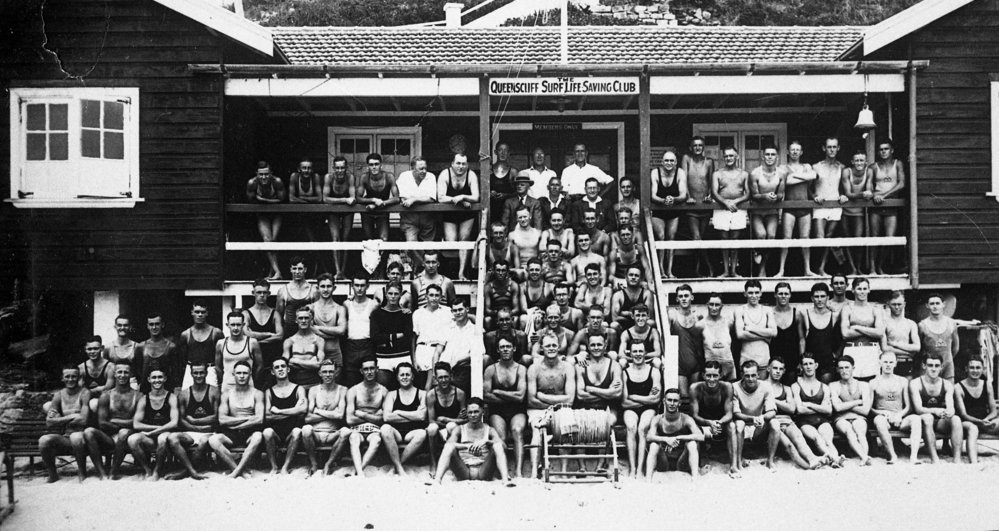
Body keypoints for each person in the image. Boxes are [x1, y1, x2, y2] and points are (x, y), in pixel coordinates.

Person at [526, 332, 576, 477]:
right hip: (537, 409)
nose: (551, 348)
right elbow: (531, 400)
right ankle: (535, 472)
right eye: (548, 345)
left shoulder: (567, 368)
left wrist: (543, 396)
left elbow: (570, 400)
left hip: (561, 409)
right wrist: (554, 403)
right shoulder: (534, 368)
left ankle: (564, 471)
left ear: (559, 347)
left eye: (554, 345)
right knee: (537, 429)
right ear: (541, 348)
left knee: (566, 427)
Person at [432, 397, 513, 485]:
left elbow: (503, 446)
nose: (473, 415)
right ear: (466, 413)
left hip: (484, 470)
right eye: (470, 412)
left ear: (483, 412)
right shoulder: (460, 429)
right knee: (449, 447)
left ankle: (505, 480)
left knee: (497, 446)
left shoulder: (489, 429)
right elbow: (448, 444)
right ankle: (437, 480)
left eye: (476, 412)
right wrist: (467, 446)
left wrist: (486, 442)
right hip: (464, 470)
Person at [764, 358, 825, 470]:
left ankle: (812, 459)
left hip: (787, 420)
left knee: (798, 438)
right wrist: (783, 403)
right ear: (768, 368)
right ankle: (807, 466)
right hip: (771, 422)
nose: (777, 371)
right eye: (775, 368)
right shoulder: (762, 386)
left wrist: (772, 399)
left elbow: (792, 409)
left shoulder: (786, 388)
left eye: (780, 369)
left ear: (784, 371)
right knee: (789, 445)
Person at [209, 361, 266, 478]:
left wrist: (236, 423)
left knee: (258, 436)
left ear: (250, 374)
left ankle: (235, 472)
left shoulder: (257, 393)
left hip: (250, 432)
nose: (241, 376)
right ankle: (238, 470)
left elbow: (259, 419)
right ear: (233, 374)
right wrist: (249, 418)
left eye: (245, 373)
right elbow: (222, 419)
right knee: (213, 440)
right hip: (231, 433)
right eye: (238, 373)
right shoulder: (226, 394)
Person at [83, 362, 139, 480]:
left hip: (129, 437)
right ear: (114, 374)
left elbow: (137, 422)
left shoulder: (138, 396)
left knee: (124, 432)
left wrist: (114, 420)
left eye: (126, 372)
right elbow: (102, 423)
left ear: (130, 375)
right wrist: (125, 423)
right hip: (109, 438)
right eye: (119, 372)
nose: (122, 375)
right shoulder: (106, 396)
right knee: (89, 432)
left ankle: (114, 471)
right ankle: (101, 472)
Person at [483, 336, 528, 478]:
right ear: (497, 350)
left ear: (514, 348)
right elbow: (486, 396)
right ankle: (502, 470)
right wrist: (510, 397)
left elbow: (521, 396)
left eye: (508, 346)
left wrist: (499, 392)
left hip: (517, 411)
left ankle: (519, 471)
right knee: (500, 436)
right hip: (498, 411)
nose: (505, 350)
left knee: (517, 430)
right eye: (502, 347)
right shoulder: (491, 369)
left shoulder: (521, 369)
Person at [166, 362, 219, 480]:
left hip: (209, 433)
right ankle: (191, 471)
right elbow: (181, 419)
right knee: (172, 438)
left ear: (206, 373)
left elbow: (216, 417)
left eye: (201, 373)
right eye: (196, 373)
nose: (199, 375)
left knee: (204, 441)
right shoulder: (184, 394)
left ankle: (185, 472)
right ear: (191, 374)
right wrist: (198, 427)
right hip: (192, 432)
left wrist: (194, 421)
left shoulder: (214, 391)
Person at [39, 366, 91, 482]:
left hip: (84, 437)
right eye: (67, 376)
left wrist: (60, 419)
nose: (70, 379)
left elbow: (83, 420)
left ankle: (82, 472)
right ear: (62, 378)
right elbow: (49, 422)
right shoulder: (59, 395)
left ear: (78, 378)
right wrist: (72, 416)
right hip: (66, 437)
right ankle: (53, 474)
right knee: (44, 440)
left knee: (76, 436)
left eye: (74, 376)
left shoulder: (84, 393)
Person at [792, 353, 844, 468]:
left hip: (822, 420)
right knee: (817, 437)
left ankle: (834, 458)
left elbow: (829, 410)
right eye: (805, 364)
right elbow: (800, 410)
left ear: (816, 365)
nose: (808, 366)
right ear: (801, 366)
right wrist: (820, 408)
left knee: (828, 440)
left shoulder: (824, 387)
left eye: (811, 363)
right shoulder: (796, 386)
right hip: (804, 422)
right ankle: (833, 458)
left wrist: (810, 404)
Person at [869, 351, 922, 463]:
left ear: (895, 363)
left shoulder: (903, 381)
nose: (888, 365)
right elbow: (869, 408)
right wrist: (881, 413)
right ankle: (892, 455)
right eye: (885, 362)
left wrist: (899, 415)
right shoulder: (873, 382)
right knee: (879, 421)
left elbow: (908, 406)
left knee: (916, 419)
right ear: (880, 363)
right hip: (884, 418)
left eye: (891, 362)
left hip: (900, 418)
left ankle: (913, 456)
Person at [910, 353, 963, 463]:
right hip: (923, 420)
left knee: (956, 419)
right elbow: (918, 409)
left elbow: (951, 406)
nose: (933, 369)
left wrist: (949, 412)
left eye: (936, 365)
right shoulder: (916, 383)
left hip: (939, 422)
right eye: (930, 365)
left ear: (941, 367)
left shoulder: (947, 384)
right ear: (924, 366)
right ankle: (935, 458)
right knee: (928, 417)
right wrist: (935, 410)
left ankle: (957, 459)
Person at [127, 368, 179, 480]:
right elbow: (136, 424)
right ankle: (148, 470)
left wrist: (155, 431)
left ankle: (157, 470)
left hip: (167, 437)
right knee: (132, 439)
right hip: (150, 437)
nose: (157, 380)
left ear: (165, 379)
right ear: (149, 380)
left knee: (162, 438)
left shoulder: (172, 397)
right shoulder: (144, 399)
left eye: (160, 377)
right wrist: (157, 429)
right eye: (154, 377)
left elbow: (174, 423)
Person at [776, 140, 818, 277]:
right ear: (788, 151)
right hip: (789, 207)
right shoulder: (782, 168)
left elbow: (813, 175)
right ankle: (781, 270)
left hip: (804, 207)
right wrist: (802, 178)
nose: (794, 152)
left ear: (801, 152)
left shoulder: (806, 166)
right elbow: (786, 181)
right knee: (786, 239)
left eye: (797, 150)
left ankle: (808, 269)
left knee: (805, 238)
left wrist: (794, 176)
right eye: (792, 150)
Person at [301, 360, 350, 476]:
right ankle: (314, 463)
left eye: (331, 372)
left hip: (333, 433)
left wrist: (317, 411)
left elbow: (340, 415)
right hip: (316, 433)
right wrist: (332, 414)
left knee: (346, 431)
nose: (328, 375)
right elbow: (308, 418)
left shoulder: (343, 390)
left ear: (336, 373)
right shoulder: (314, 390)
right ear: (320, 373)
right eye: (325, 372)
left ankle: (329, 463)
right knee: (306, 429)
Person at [380, 362, 429, 476]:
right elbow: (387, 417)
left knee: (422, 433)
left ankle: (397, 466)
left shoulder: (421, 394)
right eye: (402, 375)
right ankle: (399, 467)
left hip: (412, 432)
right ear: (397, 377)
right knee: (385, 428)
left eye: (408, 374)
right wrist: (413, 416)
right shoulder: (392, 394)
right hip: (396, 432)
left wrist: (399, 412)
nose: (405, 377)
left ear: (413, 377)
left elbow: (422, 416)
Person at [689, 361, 737, 477]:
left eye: (715, 375)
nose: (711, 379)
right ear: (703, 375)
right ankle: (700, 463)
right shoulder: (695, 388)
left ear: (720, 376)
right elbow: (694, 415)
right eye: (708, 376)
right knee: (693, 429)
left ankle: (734, 465)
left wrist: (719, 423)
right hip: (703, 424)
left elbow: (729, 414)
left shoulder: (727, 387)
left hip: (720, 423)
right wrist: (709, 423)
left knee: (732, 426)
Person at [646, 389, 704, 482]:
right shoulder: (658, 419)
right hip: (664, 461)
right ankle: (648, 480)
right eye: (669, 400)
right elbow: (649, 437)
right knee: (653, 445)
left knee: (692, 444)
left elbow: (701, 436)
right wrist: (666, 439)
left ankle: (695, 478)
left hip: (681, 461)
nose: (672, 403)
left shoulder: (686, 418)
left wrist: (679, 437)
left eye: (675, 401)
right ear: (664, 401)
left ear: (679, 403)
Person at [621, 341, 661, 477]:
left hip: (649, 409)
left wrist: (634, 396)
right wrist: (646, 400)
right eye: (635, 352)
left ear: (645, 353)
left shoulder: (654, 371)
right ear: (630, 354)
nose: (638, 354)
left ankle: (640, 469)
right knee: (631, 427)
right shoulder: (625, 373)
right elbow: (624, 403)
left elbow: (656, 399)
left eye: (640, 351)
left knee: (642, 428)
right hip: (632, 408)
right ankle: (632, 468)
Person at [438, 152, 480, 280]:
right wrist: (456, 200)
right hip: (450, 213)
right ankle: (448, 272)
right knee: (451, 242)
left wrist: (463, 196)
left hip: (466, 213)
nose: (461, 166)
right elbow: (440, 197)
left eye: (463, 164)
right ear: (452, 164)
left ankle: (461, 273)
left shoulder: (471, 175)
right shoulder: (445, 174)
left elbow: (476, 196)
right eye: (458, 163)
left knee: (464, 241)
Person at [344, 356, 389, 477]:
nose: (369, 372)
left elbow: (384, 419)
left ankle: (358, 471)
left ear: (377, 369)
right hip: (357, 430)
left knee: (377, 440)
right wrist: (374, 415)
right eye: (366, 369)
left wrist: (362, 414)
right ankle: (360, 473)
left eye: (372, 368)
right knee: (353, 439)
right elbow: (349, 419)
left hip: (374, 430)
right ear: (361, 371)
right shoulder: (353, 390)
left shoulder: (383, 391)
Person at [731, 360, 777, 474]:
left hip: (759, 427)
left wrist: (762, 418)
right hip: (743, 426)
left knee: (775, 424)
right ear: (742, 375)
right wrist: (753, 419)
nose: (750, 379)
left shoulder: (766, 386)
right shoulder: (735, 387)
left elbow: (772, 411)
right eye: (747, 376)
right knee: (739, 424)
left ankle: (770, 461)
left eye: (753, 375)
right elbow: (736, 413)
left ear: (758, 375)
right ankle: (739, 460)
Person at [867, 139, 906, 274]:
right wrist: (873, 196)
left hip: (891, 205)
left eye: (886, 149)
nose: (883, 152)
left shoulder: (898, 164)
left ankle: (880, 266)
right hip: (876, 205)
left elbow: (901, 184)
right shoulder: (873, 166)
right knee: (874, 237)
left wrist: (885, 196)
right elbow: (868, 186)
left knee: (889, 239)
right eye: (881, 149)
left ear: (892, 150)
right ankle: (872, 268)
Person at [262, 357, 307, 474]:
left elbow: (303, 409)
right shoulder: (269, 392)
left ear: (288, 369)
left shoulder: (298, 389)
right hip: (276, 432)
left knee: (297, 431)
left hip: (292, 432)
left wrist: (278, 411)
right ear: (272, 372)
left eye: (283, 366)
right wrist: (293, 411)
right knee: (267, 432)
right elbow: (267, 416)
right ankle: (274, 466)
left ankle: (285, 467)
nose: (280, 369)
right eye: (277, 367)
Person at [711, 147, 750, 277]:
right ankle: (725, 271)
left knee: (735, 239)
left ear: (737, 157)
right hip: (722, 208)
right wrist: (725, 202)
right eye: (726, 156)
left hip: (737, 209)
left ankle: (733, 271)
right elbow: (714, 193)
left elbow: (748, 193)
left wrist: (736, 201)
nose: (728, 158)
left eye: (731, 156)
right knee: (723, 238)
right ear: (723, 157)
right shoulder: (717, 173)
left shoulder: (744, 174)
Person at [682, 136, 717, 277]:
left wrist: (710, 195)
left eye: (700, 145)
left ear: (703, 148)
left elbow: (711, 182)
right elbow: (683, 180)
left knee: (701, 238)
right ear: (691, 147)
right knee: (697, 238)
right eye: (695, 145)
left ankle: (697, 269)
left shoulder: (709, 162)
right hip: (691, 206)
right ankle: (708, 268)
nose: (697, 148)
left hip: (704, 206)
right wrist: (688, 197)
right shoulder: (686, 159)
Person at [245, 160, 286, 280]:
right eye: (261, 174)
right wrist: (264, 201)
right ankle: (278, 272)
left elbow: (282, 200)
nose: (264, 177)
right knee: (267, 240)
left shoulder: (277, 182)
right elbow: (251, 200)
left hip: (277, 214)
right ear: (256, 174)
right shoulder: (252, 183)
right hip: (262, 215)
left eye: (266, 174)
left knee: (273, 241)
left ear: (271, 173)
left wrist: (262, 200)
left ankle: (272, 272)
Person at [748, 146, 786, 276]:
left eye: (773, 154)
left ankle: (762, 267)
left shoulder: (781, 173)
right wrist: (764, 196)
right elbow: (754, 195)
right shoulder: (755, 173)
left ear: (777, 157)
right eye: (767, 154)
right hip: (757, 211)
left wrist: (776, 197)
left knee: (771, 236)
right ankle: (756, 251)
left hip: (772, 211)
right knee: (761, 235)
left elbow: (781, 194)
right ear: (762, 156)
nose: (770, 157)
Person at [954, 357, 999, 464]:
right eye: (972, 368)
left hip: (984, 421)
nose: (975, 371)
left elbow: (994, 411)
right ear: (966, 369)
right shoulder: (958, 387)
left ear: (982, 369)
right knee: (973, 429)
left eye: (978, 368)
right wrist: (980, 422)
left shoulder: (987, 385)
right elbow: (963, 414)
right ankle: (973, 462)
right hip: (966, 422)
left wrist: (986, 420)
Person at [396, 156, 438, 270]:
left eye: (425, 168)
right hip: (410, 218)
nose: (424, 171)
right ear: (412, 168)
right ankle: (423, 269)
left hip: (427, 218)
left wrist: (414, 199)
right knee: (411, 243)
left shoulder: (431, 177)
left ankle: (425, 270)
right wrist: (418, 199)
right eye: (421, 169)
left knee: (429, 247)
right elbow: (404, 198)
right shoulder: (404, 177)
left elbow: (431, 198)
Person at [829, 356, 873, 465]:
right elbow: (837, 408)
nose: (844, 371)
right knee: (849, 431)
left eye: (847, 367)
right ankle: (864, 457)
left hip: (859, 417)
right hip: (841, 418)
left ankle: (864, 457)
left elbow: (865, 410)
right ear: (837, 370)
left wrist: (844, 405)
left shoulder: (863, 385)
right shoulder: (834, 385)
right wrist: (857, 402)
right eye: (841, 368)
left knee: (860, 431)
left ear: (853, 368)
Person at [436, 299, 485, 394]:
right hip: (444, 368)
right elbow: (438, 351)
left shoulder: (476, 330)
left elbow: (479, 352)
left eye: (460, 309)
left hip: (462, 369)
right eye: (455, 310)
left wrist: (458, 361)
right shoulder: (447, 328)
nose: (457, 313)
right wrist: (435, 370)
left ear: (467, 309)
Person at [813, 138, 847, 275]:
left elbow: (845, 187)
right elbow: (809, 188)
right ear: (824, 148)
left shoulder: (842, 167)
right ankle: (813, 267)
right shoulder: (816, 166)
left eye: (834, 147)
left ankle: (821, 268)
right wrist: (814, 196)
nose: (832, 150)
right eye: (829, 147)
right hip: (820, 205)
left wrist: (844, 195)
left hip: (835, 205)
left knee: (828, 237)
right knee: (819, 237)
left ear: (838, 148)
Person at [370, 281, 413, 389]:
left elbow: (407, 337)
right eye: (390, 293)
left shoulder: (406, 314)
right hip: (384, 358)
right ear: (385, 294)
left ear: (400, 295)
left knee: (405, 389)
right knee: (383, 389)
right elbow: (375, 337)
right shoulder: (377, 314)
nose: (393, 297)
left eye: (396, 294)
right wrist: (396, 336)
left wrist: (386, 340)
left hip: (403, 356)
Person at [839, 277, 884, 380]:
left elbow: (880, 333)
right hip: (852, 350)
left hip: (871, 350)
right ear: (853, 290)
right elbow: (845, 334)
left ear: (869, 290)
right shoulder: (847, 309)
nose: (862, 292)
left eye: (865, 289)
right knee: (852, 384)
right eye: (859, 289)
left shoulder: (875, 309)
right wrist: (870, 329)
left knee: (871, 385)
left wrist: (857, 327)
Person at [244, 278, 285, 390]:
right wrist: (269, 334)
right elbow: (246, 334)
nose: (262, 295)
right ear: (253, 293)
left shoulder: (275, 313)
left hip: (272, 358)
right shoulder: (246, 313)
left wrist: (256, 339)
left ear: (269, 294)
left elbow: (280, 335)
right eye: (259, 292)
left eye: (264, 292)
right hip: (254, 360)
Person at [574, 334, 622, 422]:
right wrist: (608, 393)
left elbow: (617, 393)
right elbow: (580, 395)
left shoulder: (614, 366)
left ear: (605, 345)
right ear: (588, 347)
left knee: (609, 422)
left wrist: (591, 389)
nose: (596, 348)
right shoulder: (580, 366)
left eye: (599, 344)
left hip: (608, 409)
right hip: (585, 409)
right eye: (593, 345)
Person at [412, 284, 452, 389]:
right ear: (426, 297)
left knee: (433, 381)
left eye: (437, 295)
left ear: (441, 297)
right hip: (421, 350)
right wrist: (414, 360)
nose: (434, 298)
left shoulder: (447, 311)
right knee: (420, 383)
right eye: (431, 295)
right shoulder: (418, 313)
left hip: (439, 350)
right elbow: (414, 337)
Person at [343, 272, 379, 387]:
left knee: (369, 381)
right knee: (351, 381)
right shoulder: (346, 304)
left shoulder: (373, 304)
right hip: (351, 346)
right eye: (356, 285)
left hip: (368, 345)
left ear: (367, 286)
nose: (359, 288)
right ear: (352, 286)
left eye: (362, 285)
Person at [323, 155, 357, 279]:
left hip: (347, 211)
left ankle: (343, 271)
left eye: (342, 168)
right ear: (333, 168)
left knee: (345, 239)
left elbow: (352, 198)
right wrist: (344, 199)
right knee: (335, 239)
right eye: (337, 168)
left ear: (346, 168)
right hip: (333, 212)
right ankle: (337, 271)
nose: (340, 170)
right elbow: (325, 198)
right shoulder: (329, 178)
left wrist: (347, 200)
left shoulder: (350, 178)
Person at [356, 152, 400, 247]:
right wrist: (373, 199)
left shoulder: (389, 177)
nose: (374, 167)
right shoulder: (364, 177)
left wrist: (381, 203)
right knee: (369, 241)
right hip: (368, 212)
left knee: (384, 240)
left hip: (382, 212)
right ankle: (370, 262)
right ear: (368, 166)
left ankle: (382, 262)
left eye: (376, 164)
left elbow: (397, 198)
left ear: (381, 165)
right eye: (371, 165)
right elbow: (358, 198)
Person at [734, 280, 777, 377]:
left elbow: (774, 332)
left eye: (757, 292)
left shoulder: (767, 310)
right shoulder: (740, 310)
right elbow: (740, 334)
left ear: (761, 293)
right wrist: (765, 337)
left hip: (763, 359)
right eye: (750, 293)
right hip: (746, 359)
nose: (754, 295)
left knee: (763, 390)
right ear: (745, 294)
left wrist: (750, 328)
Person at [178, 300, 224, 389]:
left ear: (207, 313)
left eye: (202, 312)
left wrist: (220, 376)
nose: (200, 315)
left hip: (210, 370)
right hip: (191, 370)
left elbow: (221, 357)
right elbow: (182, 359)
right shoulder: (186, 334)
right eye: (197, 312)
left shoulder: (216, 332)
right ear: (192, 313)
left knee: (211, 397)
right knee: (188, 397)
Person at [215, 311, 263, 393]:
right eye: (233, 325)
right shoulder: (221, 343)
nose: (236, 328)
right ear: (228, 325)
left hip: (248, 385)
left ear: (243, 325)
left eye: (238, 324)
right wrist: (223, 380)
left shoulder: (252, 342)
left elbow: (260, 366)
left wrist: (251, 379)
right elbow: (218, 367)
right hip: (228, 385)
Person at [840, 150, 872, 273]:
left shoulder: (869, 171)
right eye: (857, 160)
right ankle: (852, 268)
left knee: (858, 240)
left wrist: (866, 194)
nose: (859, 163)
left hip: (859, 212)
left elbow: (869, 192)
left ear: (866, 162)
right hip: (846, 211)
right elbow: (848, 193)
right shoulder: (846, 171)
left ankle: (858, 268)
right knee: (847, 240)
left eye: (861, 160)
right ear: (852, 161)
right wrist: (863, 194)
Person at [669, 285, 704, 396]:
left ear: (692, 297)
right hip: (680, 365)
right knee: (683, 397)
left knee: (695, 396)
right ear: (677, 299)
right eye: (681, 296)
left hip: (696, 364)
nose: (683, 298)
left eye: (686, 296)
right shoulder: (672, 316)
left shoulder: (698, 316)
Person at [308, 274, 347, 372]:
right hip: (315, 353)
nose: (325, 289)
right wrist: (333, 333)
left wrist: (318, 328)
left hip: (335, 353)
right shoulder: (311, 308)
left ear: (334, 288)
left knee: (335, 386)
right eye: (322, 286)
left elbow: (341, 330)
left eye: (329, 286)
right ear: (317, 288)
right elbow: (310, 330)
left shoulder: (340, 309)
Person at [918, 293, 959, 381]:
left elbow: (955, 348)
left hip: (947, 367)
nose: (935, 306)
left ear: (943, 304)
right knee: (927, 392)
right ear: (927, 306)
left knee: (949, 391)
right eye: (932, 304)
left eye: (937, 303)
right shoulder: (922, 325)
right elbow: (920, 349)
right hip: (929, 367)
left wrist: (946, 359)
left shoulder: (951, 323)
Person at [135, 312, 180, 394]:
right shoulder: (141, 347)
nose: (154, 327)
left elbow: (175, 372)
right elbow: (138, 371)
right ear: (147, 326)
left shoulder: (171, 347)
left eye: (157, 324)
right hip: (146, 391)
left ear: (162, 325)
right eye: (151, 324)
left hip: (166, 391)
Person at [803, 282, 839, 383]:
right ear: (812, 298)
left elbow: (841, 338)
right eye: (816, 296)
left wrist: (836, 355)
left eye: (822, 296)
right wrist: (802, 359)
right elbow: (802, 339)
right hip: (810, 361)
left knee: (826, 389)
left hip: (827, 361)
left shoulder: (834, 316)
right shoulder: (805, 314)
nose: (819, 299)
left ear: (828, 297)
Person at [880, 290, 920, 379]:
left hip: (907, 363)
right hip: (889, 363)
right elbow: (885, 348)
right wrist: (908, 352)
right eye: (894, 304)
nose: (897, 307)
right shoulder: (884, 323)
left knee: (906, 390)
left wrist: (894, 344)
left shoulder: (911, 324)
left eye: (899, 304)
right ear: (888, 304)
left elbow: (917, 347)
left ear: (904, 304)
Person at [275, 256, 318, 339]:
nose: (297, 272)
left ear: (305, 270)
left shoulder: (313, 290)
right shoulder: (283, 290)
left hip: (309, 331)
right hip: (289, 331)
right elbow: (278, 316)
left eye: (300, 269)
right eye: (294, 269)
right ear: (290, 270)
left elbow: (317, 315)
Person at [426, 361, 468, 444]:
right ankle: (433, 457)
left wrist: (446, 419)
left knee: (451, 426)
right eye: (440, 377)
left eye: (446, 377)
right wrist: (455, 420)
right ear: (436, 378)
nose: (443, 380)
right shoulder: (431, 394)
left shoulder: (460, 393)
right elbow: (431, 421)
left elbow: (464, 420)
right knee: (432, 428)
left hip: (454, 430)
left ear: (451, 376)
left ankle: (453, 454)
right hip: (439, 430)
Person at [771, 282, 805, 383]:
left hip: (792, 361)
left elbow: (801, 339)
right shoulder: (769, 313)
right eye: (780, 294)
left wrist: (801, 360)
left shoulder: (797, 314)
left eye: (786, 294)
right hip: (774, 360)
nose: (783, 296)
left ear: (790, 295)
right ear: (775, 295)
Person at [288, 157, 323, 242]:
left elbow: (319, 198)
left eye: (309, 168)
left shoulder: (315, 177)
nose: (306, 170)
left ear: (312, 170)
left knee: (314, 231)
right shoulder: (294, 177)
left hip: (313, 213)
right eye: (304, 168)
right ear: (299, 169)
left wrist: (301, 198)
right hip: (297, 213)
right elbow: (291, 199)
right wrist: (310, 201)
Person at [611, 266, 655, 333]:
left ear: (641, 278)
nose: (633, 277)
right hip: (624, 327)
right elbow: (615, 318)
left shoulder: (647, 294)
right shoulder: (618, 295)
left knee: (651, 323)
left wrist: (624, 313)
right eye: (631, 275)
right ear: (626, 277)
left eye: (636, 275)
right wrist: (635, 314)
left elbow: (649, 316)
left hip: (642, 325)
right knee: (614, 325)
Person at [702, 295, 736, 381]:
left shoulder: (729, 322)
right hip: (711, 367)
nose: (714, 308)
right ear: (707, 305)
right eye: (711, 304)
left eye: (717, 305)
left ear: (722, 306)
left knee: (730, 391)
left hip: (728, 364)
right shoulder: (701, 324)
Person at [484, 260, 522, 330]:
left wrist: (506, 314)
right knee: (487, 320)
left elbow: (516, 309)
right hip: (495, 315)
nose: (500, 273)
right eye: (498, 270)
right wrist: (498, 313)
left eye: (503, 270)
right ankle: (490, 339)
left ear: (507, 272)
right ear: (494, 271)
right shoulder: (489, 287)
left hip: (509, 314)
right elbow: (487, 310)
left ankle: (514, 339)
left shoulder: (513, 285)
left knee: (516, 319)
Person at [518, 258, 554, 331]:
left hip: (545, 316)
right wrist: (534, 313)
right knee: (523, 318)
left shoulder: (549, 286)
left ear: (542, 271)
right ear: (527, 270)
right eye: (531, 270)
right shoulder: (522, 287)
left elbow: (555, 306)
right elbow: (524, 308)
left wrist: (544, 312)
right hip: (529, 315)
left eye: (537, 270)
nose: (534, 272)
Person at [79, 335, 112, 412]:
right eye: (89, 349)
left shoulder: (110, 367)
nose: (92, 352)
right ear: (85, 350)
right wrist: (99, 389)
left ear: (102, 348)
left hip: (106, 400)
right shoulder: (81, 368)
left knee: (94, 404)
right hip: (87, 400)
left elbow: (108, 389)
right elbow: (80, 391)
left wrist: (90, 391)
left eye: (96, 349)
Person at [509, 205, 543, 272]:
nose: (523, 220)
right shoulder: (512, 235)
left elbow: (541, 254)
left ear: (530, 216)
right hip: (519, 269)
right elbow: (510, 256)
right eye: (520, 217)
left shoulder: (538, 233)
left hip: (535, 268)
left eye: (525, 217)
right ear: (517, 219)